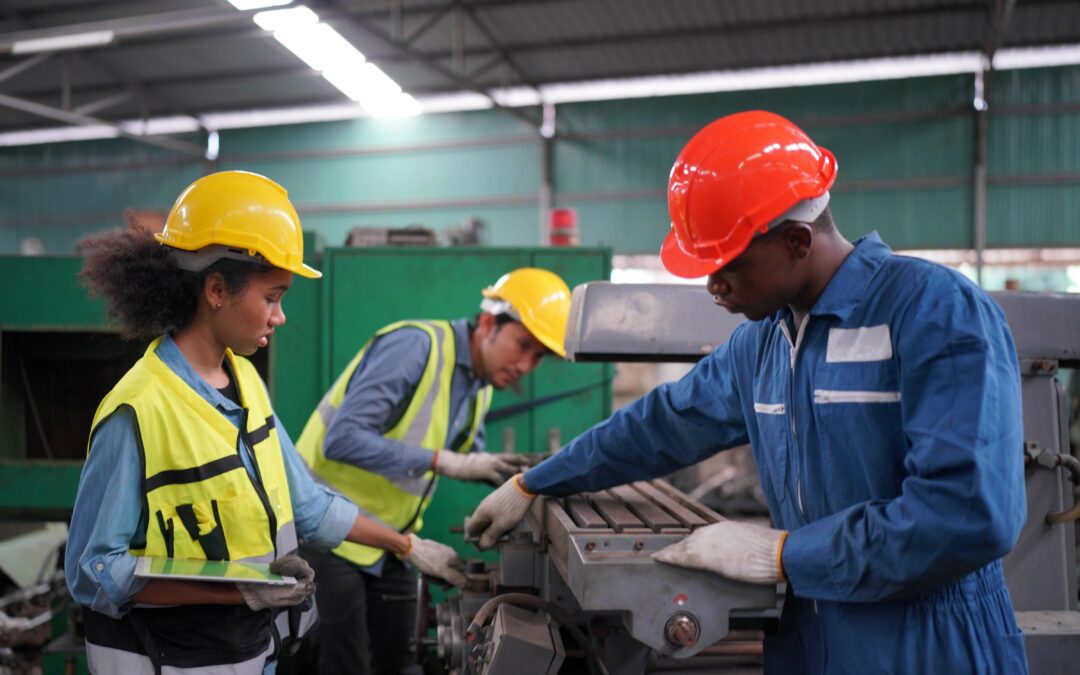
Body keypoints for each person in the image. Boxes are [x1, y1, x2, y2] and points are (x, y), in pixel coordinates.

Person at [467, 111, 1029, 674]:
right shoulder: (762, 343)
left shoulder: (935, 312)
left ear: (795, 240)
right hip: (809, 634)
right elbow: (659, 425)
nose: (712, 288)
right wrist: (534, 482)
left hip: (929, 644)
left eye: (727, 267)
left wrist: (782, 555)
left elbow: (967, 513)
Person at [66, 171, 467, 675]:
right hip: (172, 659)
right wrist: (238, 590)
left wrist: (408, 546)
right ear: (216, 289)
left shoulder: (247, 383)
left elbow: (308, 506)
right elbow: (95, 572)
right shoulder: (137, 411)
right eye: (273, 297)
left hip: (249, 652)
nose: (280, 317)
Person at [294, 267, 571, 674]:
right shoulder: (415, 347)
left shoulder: (482, 384)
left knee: (402, 662)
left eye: (539, 356)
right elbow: (343, 439)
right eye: (523, 345)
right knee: (345, 665)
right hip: (328, 532)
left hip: (391, 542)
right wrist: (445, 462)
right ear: (490, 323)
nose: (527, 365)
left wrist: (513, 486)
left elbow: (466, 456)